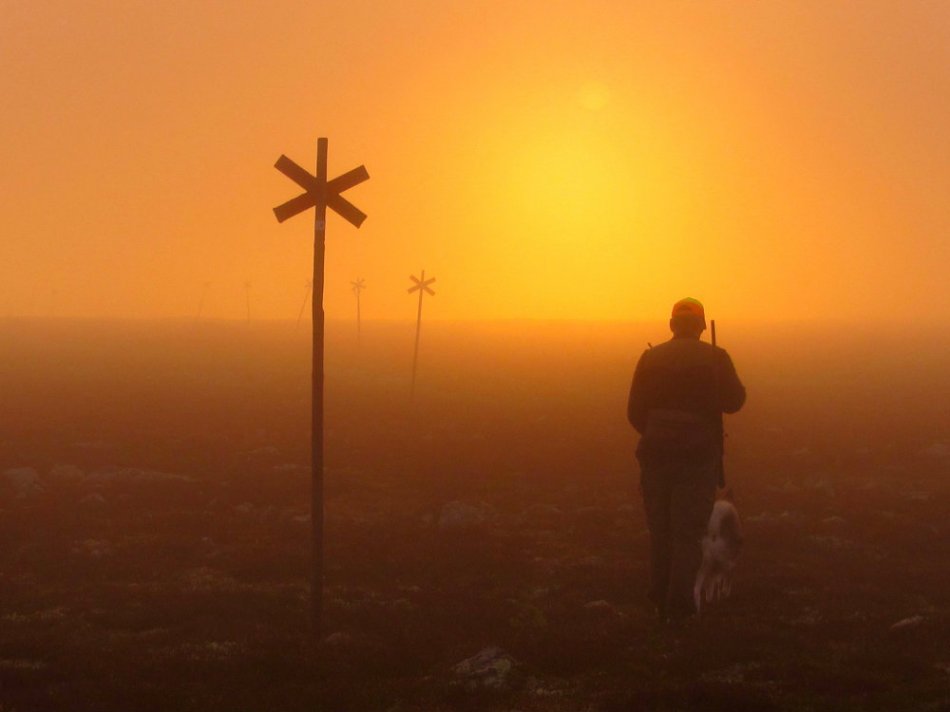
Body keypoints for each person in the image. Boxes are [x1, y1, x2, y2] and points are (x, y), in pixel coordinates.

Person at [627, 297, 745, 621]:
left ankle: (658, 597)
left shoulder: (650, 358)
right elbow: (736, 401)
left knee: (660, 529)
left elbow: (634, 412)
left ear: (672, 325)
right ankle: (678, 608)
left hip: (655, 454)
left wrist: (658, 433)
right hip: (696, 457)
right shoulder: (715, 358)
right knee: (687, 532)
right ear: (701, 326)